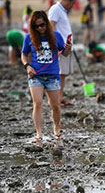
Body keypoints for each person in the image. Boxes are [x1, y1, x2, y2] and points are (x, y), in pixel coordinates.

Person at [21, 10, 72, 143]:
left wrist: (68, 48)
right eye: (36, 26)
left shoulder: (56, 36)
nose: (40, 28)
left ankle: (56, 129)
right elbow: (24, 54)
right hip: (36, 75)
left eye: (42, 25)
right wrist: (27, 66)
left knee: (55, 105)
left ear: (47, 24)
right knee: (37, 103)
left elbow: (65, 54)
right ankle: (39, 134)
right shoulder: (29, 37)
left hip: (53, 76)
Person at [48, 0, 76, 106]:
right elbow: (51, 27)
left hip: (66, 48)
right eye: (72, 3)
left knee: (63, 74)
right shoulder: (55, 9)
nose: (73, 6)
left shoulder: (62, 11)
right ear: (68, 0)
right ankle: (56, 99)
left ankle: (60, 97)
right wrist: (56, 45)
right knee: (59, 73)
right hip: (60, 48)